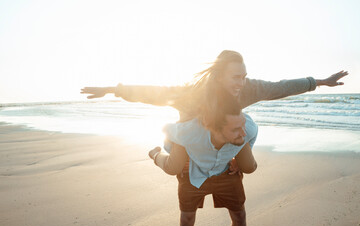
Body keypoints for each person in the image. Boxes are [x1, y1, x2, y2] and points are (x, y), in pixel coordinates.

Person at [81, 50, 348, 176]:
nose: (240, 83)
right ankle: (155, 153)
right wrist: (113, 89)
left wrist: (319, 82)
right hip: (191, 138)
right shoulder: (193, 93)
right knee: (175, 168)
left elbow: (280, 88)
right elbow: (154, 92)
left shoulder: (247, 89)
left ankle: (228, 160)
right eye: (235, 77)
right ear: (219, 76)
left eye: (244, 77)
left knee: (248, 167)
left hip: (225, 136)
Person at [155, 90, 257, 226]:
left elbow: (251, 135)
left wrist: (238, 159)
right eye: (236, 129)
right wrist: (180, 156)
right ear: (216, 128)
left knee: (240, 216)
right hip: (194, 174)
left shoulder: (246, 127)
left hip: (225, 171)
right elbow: (167, 131)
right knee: (186, 221)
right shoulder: (191, 132)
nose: (242, 132)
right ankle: (155, 154)